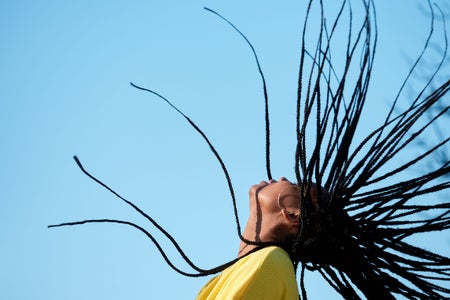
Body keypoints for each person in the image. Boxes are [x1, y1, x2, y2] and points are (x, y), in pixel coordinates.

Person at [196, 177, 328, 300]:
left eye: (295, 186)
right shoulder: (260, 264)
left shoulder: (270, 263)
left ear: (293, 215)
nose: (282, 178)